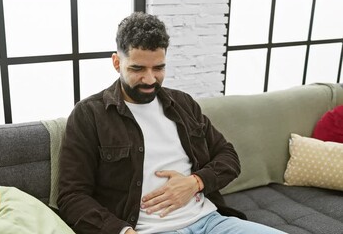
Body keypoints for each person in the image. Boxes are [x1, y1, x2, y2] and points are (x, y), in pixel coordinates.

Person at [57, 12, 286, 234]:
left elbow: (228, 157)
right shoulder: (89, 115)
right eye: (137, 68)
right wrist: (123, 231)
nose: (149, 79)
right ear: (117, 63)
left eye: (158, 68)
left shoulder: (183, 104)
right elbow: (72, 196)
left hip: (211, 221)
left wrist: (195, 182)